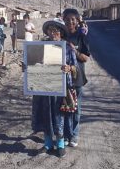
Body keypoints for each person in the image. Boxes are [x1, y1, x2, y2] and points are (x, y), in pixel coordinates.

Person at [31, 20, 77, 158]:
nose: (52, 33)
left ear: (61, 32)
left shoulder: (68, 48)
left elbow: (76, 69)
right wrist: (28, 67)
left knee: (59, 116)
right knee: (46, 115)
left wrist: (69, 68)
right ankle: (48, 144)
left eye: (55, 30)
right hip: (44, 87)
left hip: (60, 88)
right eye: (50, 30)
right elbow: (35, 63)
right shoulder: (41, 46)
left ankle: (61, 145)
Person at [62, 8, 91, 147]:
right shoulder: (60, 36)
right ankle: (67, 135)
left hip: (77, 78)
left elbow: (85, 58)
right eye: (67, 19)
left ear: (77, 20)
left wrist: (75, 50)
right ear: (63, 20)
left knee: (76, 109)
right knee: (66, 107)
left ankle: (74, 135)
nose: (70, 22)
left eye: (73, 19)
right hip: (62, 79)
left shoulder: (81, 37)